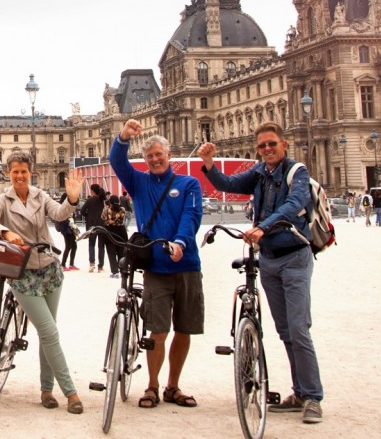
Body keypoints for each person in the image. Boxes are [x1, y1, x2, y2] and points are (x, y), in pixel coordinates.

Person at [199, 121, 324, 424]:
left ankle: (312, 397)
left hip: (294, 256)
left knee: (298, 328)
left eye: (272, 144)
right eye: (262, 145)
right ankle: (301, 391)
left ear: (284, 145)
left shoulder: (298, 172)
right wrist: (208, 164)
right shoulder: (259, 173)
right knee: (285, 331)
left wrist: (263, 226)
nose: (267, 149)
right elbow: (227, 185)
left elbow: (295, 205)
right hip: (268, 259)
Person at [0, 152, 85, 415]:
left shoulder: (41, 196)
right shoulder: (3, 199)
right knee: (49, 332)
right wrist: (5, 231)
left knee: (48, 333)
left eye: (24, 171)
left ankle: (47, 390)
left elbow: (59, 213)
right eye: (15, 171)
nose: (19, 175)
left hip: (49, 269)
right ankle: (70, 393)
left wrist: (72, 198)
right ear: (8, 173)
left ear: (31, 172)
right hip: (23, 273)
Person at [110, 119, 203, 411]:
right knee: (157, 331)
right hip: (156, 269)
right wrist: (123, 136)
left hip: (186, 264)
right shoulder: (138, 182)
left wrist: (181, 242)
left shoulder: (189, 184)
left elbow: (191, 217)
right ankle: (152, 385)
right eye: (149, 156)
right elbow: (117, 161)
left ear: (169, 154)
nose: (154, 159)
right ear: (145, 159)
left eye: (158, 154)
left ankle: (172, 385)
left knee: (184, 329)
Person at [101, 194, 128, 279]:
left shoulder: (107, 210)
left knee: (111, 253)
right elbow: (123, 219)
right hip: (121, 232)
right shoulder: (122, 209)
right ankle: (122, 269)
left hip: (110, 231)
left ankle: (114, 272)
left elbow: (103, 218)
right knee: (121, 252)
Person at [81, 184, 106, 273]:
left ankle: (92, 264)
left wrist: (88, 216)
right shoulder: (102, 200)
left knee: (91, 245)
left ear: (92, 190)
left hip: (91, 225)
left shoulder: (90, 200)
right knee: (101, 246)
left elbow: (82, 211)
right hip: (102, 225)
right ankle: (100, 266)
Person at [54, 193, 78, 271]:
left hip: (72, 228)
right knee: (68, 246)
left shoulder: (71, 206)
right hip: (66, 229)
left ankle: (71, 264)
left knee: (74, 246)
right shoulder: (61, 207)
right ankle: (63, 264)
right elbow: (60, 218)